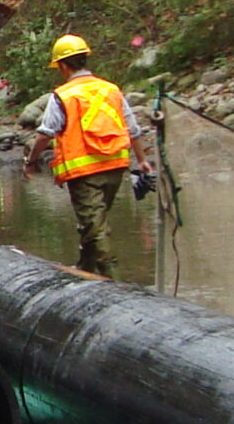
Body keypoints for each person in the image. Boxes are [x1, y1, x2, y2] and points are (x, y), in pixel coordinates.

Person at [23, 34, 152, 278]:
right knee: (95, 223)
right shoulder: (110, 89)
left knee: (95, 227)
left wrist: (30, 162)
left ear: (62, 65)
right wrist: (142, 160)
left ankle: (111, 279)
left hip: (84, 173)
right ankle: (85, 269)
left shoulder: (63, 95)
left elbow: (44, 134)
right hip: (115, 166)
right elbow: (132, 128)